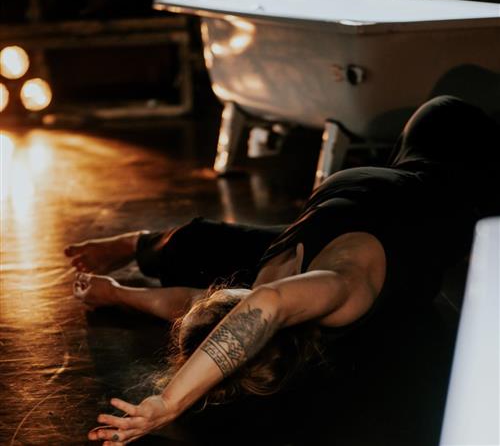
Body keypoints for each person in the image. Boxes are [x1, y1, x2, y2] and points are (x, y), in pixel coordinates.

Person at [66, 96, 500, 445]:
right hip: (453, 164)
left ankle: (132, 244)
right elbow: (265, 305)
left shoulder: (260, 288)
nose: (211, 297)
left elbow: (186, 303)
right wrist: (169, 401)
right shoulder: (339, 293)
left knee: (199, 243)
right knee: (448, 111)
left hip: (371, 190)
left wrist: (117, 293)